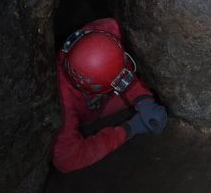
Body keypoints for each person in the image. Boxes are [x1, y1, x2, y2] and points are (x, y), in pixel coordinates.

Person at [52, 17, 168, 172]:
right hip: (86, 110)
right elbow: (67, 159)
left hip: (99, 93)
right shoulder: (61, 104)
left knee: (152, 85)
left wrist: (143, 98)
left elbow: (122, 71)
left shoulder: (111, 29)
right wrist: (128, 129)